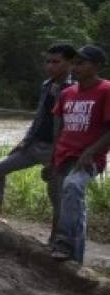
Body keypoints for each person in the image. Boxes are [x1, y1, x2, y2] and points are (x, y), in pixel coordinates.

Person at [0, 44, 75, 239]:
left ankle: (56, 238)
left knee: (57, 194)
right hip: (35, 144)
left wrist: (57, 156)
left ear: (69, 63)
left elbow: (69, 126)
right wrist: (25, 141)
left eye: (56, 62)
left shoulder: (74, 89)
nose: (50, 66)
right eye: (48, 61)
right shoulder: (46, 85)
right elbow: (40, 116)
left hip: (59, 149)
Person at [48, 44, 110, 263]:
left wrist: (91, 152)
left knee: (73, 187)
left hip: (88, 159)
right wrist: (51, 158)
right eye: (74, 62)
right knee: (74, 205)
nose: (75, 67)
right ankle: (76, 259)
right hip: (63, 155)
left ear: (97, 66)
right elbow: (60, 129)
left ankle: (63, 242)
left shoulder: (106, 90)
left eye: (81, 63)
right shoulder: (66, 93)